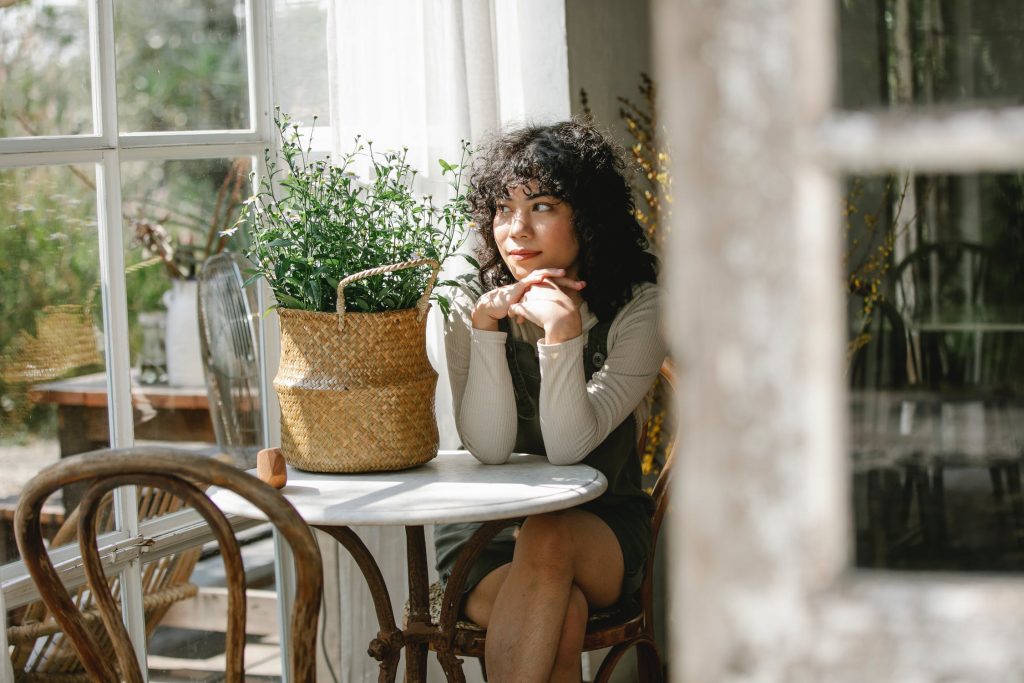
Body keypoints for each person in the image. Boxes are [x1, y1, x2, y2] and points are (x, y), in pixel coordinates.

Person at [434, 118, 666, 682]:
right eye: (503, 209)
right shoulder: (469, 295)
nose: (516, 230)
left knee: (549, 533)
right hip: (486, 528)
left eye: (542, 206)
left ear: (589, 217)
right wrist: (487, 331)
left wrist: (562, 335)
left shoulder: (641, 307)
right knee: (562, 615)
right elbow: (489, 448)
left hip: (601, 526)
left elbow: (567, 448)